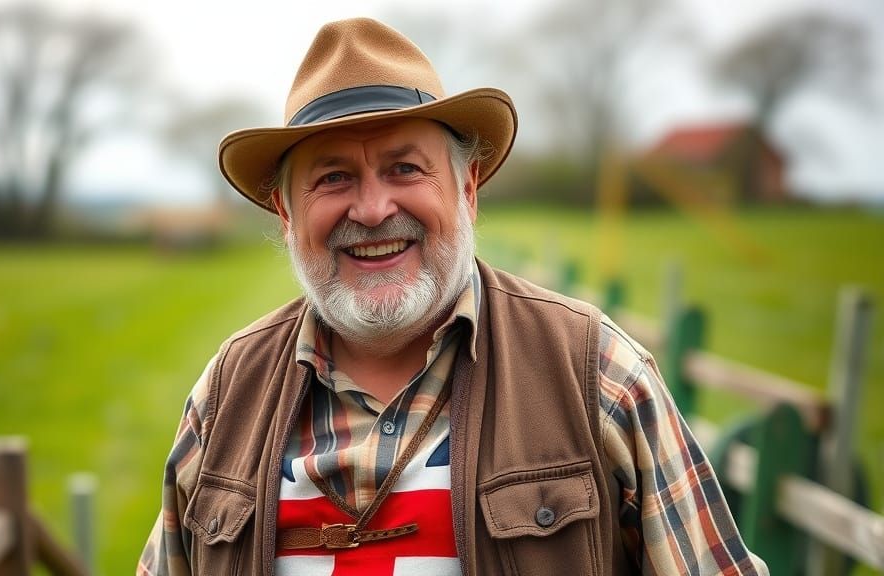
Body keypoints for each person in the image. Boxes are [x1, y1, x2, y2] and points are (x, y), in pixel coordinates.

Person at [139, 17, 768, 576]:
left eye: (405, 169)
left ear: (466, 186)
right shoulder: (224, 398)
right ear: (285, 211)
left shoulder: (598, 374)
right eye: (333, 178)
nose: (373, 207)